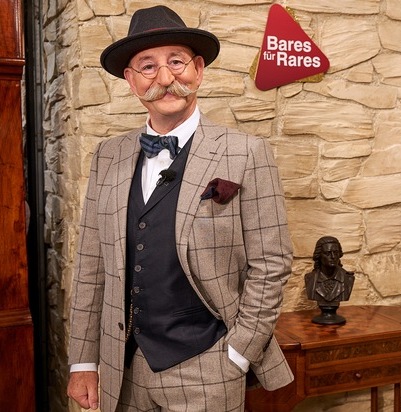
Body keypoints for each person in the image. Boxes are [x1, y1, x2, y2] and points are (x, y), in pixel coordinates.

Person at [66, 6, 293, 411]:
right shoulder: (107, 156)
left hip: (209, 365)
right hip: (124, 367)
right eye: (148, 66)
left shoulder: (246, 153)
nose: (165, 78)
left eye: (176, 62)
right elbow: (90, 263)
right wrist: (83, 361)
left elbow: (271, 262)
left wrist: (239, 351)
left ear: (198, 70)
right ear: (131, 80)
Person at [304, 236, 355, 305]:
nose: (333, 257)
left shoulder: (348, 278)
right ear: (319, 255)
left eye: (336, 253)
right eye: (327, 253)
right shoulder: (310, 278)